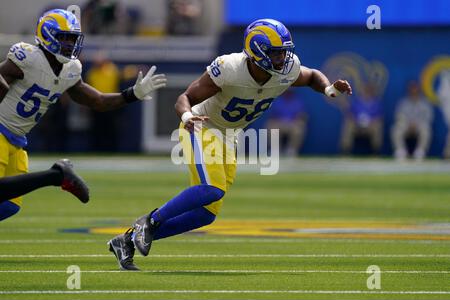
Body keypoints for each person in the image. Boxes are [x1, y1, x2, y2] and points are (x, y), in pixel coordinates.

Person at [108, 18, 352, 271]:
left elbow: (311, 76)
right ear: (256, 51)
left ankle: (125, 241)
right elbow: (185, 97)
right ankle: (147, 222)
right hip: (202, 125)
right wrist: (188, 116)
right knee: (211, 189)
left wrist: (328, 88)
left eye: (284, 52)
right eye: (276, 53)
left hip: (229, 134)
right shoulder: (229, 68)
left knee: (206, 213)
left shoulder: (287, 70)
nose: (283, 59)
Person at [0, 9, 166, 221]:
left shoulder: (70, 69)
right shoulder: (28, 57)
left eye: (73, 39)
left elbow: (97, 100)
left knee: (8, 206)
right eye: (64, 38)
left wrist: (132, 94)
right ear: (47, 35)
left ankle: (56, 175)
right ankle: (55, 175)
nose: (69, 44)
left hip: (16, 140)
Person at [391, 81, 433, 161]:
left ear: (419, 90)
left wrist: (416, 124)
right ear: (409, 91)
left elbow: (428, 117)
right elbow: (399, 116)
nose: (414, 91)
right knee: (396, 129)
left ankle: (420, 152)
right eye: (412, 89)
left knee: (426, 129)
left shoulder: (425, 103)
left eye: (415, 89)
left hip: (419, 126)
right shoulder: (403, 103)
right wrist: (408, 123)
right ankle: (400, 151)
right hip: (406, 125)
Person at [340, 83, 383, 155]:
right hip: (357, 125)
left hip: (370, 126)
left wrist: (371, 122)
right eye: (366, 90)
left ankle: (376, 152)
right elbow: (350, 114)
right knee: (348, 124)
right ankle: (345, 151)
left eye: (369, 90)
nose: (367, 92)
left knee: (378, 126)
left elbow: (379, 117)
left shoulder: (376, 103)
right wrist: (356, 121)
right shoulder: (356, 102)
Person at [266, 88, 307, 156]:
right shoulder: (277, 101)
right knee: (270, 125)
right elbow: (272, 116)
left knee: (299, 127)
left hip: (292, 124)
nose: (287, 93)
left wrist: (299, 120)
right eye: (286, 91)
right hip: (279, 123)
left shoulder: (297, 102)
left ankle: (291, 151)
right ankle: (275, 150)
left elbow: (302, 116)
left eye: (289, 91)